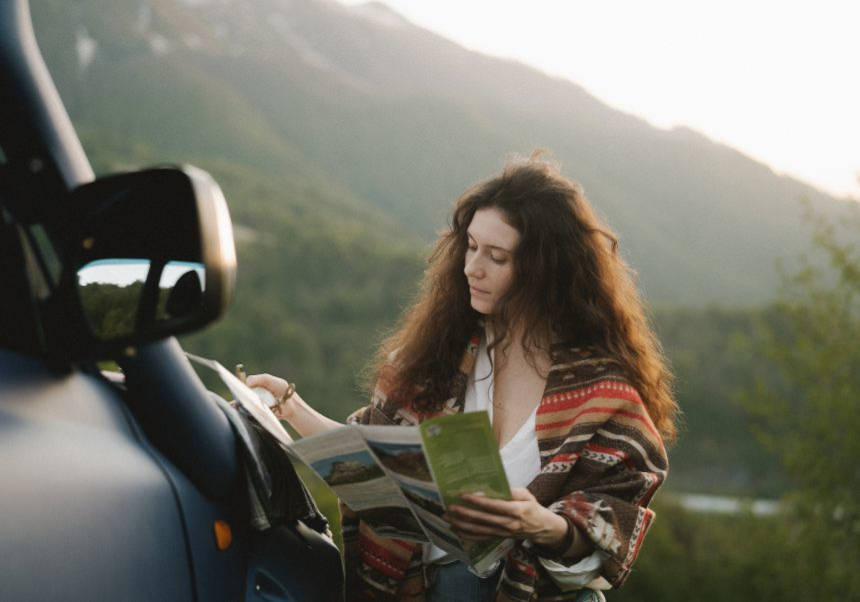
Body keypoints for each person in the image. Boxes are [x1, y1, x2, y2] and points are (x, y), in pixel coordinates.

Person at [247, 155, 678, 601]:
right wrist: (290, 407)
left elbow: (611, 527)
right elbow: (374, 460)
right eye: (470, 246)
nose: (473, 267)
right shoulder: (436, 358)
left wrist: (541, 523)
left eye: (497, 256)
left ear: (545, 269)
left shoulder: (601, 392)